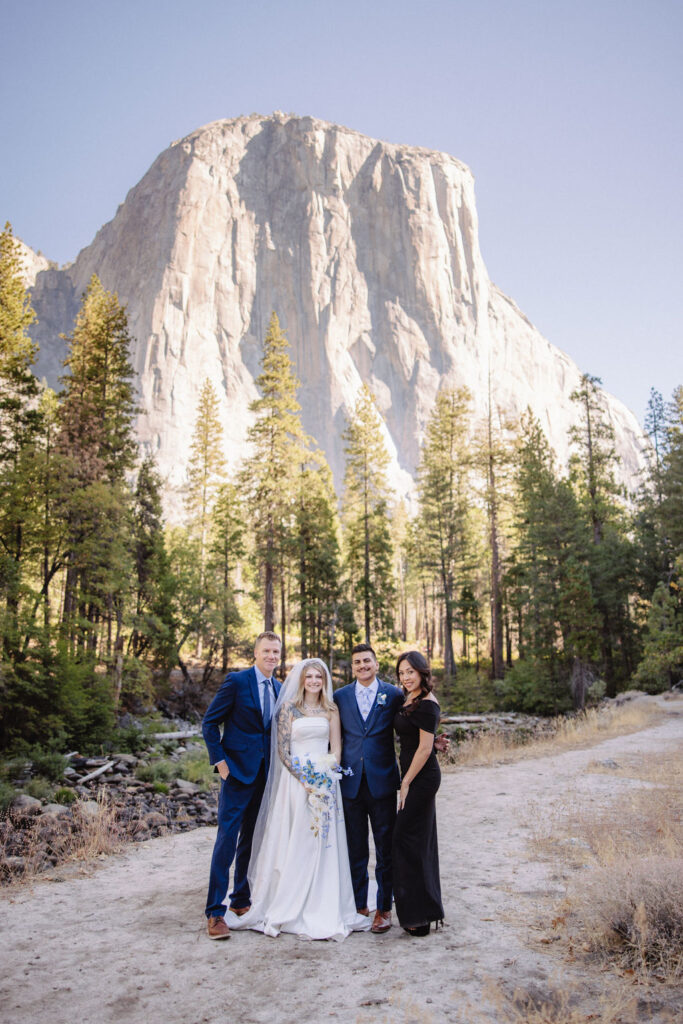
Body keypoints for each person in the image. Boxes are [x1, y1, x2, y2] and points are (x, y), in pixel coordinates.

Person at [227, 659, 371, 940]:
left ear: (324, 681)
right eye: (310, 676)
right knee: (293, 840)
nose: (314, 681)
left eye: (319, 676)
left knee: (322, 841)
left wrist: (325, 775)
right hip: (295, 785)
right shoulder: (288, 709)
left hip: (324, 784)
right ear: (302, 680)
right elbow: (283, 751)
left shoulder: (331, 710)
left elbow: (337, 749)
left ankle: (323, 900)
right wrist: (304, 778)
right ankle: (285, 899)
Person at [201, 631, 282, 939]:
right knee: (226, 840)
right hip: (236, 774)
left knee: (253, 838)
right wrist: (220, 763)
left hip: (266, 776)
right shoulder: (237, 681)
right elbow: (210, 722)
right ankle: (215, 912)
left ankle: (241, 900)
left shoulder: (280, 688)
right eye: (266, 651)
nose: (272, 656)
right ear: (255, 653)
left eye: (276, 651)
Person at [333, 643, 405, 933]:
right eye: (357, 662)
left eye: (367, 661)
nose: (362, 665)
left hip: (382, 781)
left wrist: (433, 739)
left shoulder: (393, 694)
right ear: (352, 668)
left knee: (385, 848)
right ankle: (359, 904)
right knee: (355, 848)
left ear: (376, 665)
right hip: (350, 783)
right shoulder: (340, 697)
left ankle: (384, 909)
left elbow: (411, 724)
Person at [392, 650, 444, 936]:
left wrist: (406, 783)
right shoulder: (408, 699)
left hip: (421, 780)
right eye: (401, 673)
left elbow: (423, 749)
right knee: (416, 842)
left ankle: (418, 917)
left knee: (406, 841)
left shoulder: (427, 704)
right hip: (414, 777)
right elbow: (423, 739)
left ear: (422, 672)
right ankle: (422, 913)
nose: (405, 677)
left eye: (410, 671)